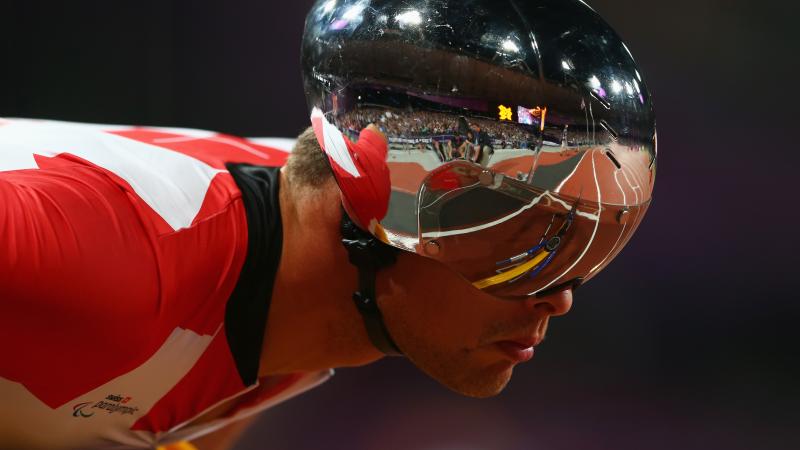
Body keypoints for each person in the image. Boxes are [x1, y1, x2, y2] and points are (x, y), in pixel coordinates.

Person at [0, 0, 657, 449]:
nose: (559, 296)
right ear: (368, 209)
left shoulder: (295, 303)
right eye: (514, 233)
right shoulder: (114, 263)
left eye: (568, 241)